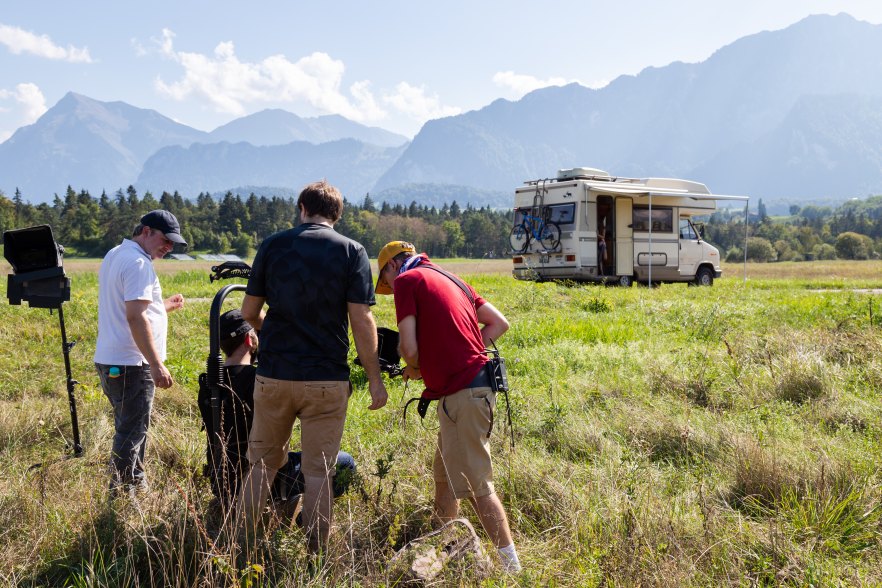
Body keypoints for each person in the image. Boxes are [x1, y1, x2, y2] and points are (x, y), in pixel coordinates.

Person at [237, 180, 387, 554]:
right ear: (337, 215)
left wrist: (268, 330)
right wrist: (374, 379)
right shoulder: (353, 251)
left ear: (302, 207)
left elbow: (248, 313)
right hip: (326, 380)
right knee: (320, 471)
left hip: (274, 375)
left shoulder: (272, 245)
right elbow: (362, 320)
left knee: (261, 465)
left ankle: (239, 546)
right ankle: (316, 556)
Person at [375, 241, 522, 574]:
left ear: (391, 266)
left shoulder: (406, 281)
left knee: (478, 487)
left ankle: (513, 570)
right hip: (469, 390)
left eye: (385, 276)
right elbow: (499, 324)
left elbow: (409, 351)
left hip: (464, 394)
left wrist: (416, 365)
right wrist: (456, 353)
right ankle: (447, 548)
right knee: (443, 477)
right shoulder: (452, 278)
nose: (389, 284)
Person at [210, 309, 356, 515]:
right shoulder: (261, 382)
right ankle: (288, 509)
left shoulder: (210, 384)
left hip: (223, 476)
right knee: (345, 462)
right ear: (249, 340)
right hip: (271, 475)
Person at [94, 210, 186, 495]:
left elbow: (132, 309)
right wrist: (157, 364)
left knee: (130, 425)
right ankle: (122, 495)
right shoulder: (138, 263)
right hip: (132, 363)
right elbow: (135, 317)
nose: (168, 247)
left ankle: (135, 484)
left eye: (173, 244)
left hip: (112, 358)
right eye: (165, 239)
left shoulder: (116, 254)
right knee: (132, 431)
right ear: (146, 231)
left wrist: (163, 307)